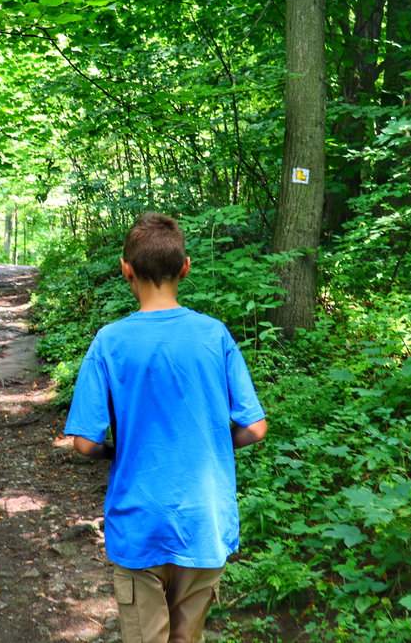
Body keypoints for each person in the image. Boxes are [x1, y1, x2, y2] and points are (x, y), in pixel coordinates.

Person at [64, 213, 268, 643]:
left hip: (140, 523)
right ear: (186, 267)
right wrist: (214, 442)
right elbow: (254, 428)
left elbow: (84, 443)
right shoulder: (215, 336)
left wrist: (113, 452)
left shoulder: (110, 342)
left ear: (126, 269)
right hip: (204, 522)